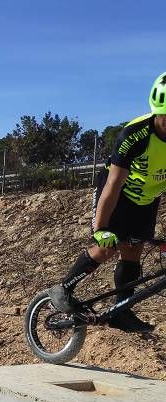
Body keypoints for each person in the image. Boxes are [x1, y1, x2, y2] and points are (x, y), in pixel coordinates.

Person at [49, 72, 166, 333]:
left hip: (147, 198)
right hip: (118, 193)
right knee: (107, 247)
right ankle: (63, 289)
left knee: (134, 250)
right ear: (157, 110)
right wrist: (101, 228)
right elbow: (113, 185)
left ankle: (121, 311)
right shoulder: (135, 135)